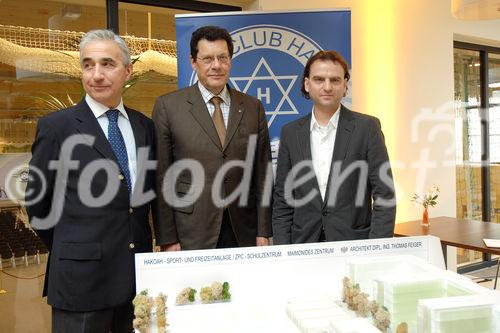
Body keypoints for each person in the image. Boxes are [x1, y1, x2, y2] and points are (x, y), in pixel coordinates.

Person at [25, 29, 156, 332]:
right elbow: (38, 205)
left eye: (107, 64)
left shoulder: (143, 127)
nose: (96, 74)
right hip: (80, 283)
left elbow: (143, 198)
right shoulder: (57, 128)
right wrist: (74, 247)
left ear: (128, 71)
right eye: (88, 64)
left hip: (137, 280)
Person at [153, 25, 272, 250]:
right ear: (193, 61)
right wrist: (168, 238)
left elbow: (262, 173)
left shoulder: (253, 107)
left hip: (243, 230)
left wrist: (263, 230)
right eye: (207, 59)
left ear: (230, 60)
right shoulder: (168, 107)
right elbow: (162, 177)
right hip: (191, 229)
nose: (216, 66)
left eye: (222, 58)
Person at [272, 50, 396, 244]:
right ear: (307, 84)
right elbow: (283, 199)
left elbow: (384, 195)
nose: (327, 87)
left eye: (335, 80)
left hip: (354, 244)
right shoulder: (290, 133)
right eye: (319, 79)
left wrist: (376, 249)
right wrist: (282, 251)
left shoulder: (367, 128)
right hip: (303, 245)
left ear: (345, 86)